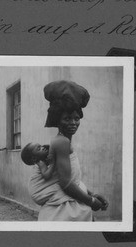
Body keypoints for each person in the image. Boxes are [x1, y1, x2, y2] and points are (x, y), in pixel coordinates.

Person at [28, 80, 108, 221]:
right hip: (61, 214)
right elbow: (65, 184)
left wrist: (92, 193)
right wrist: (92, 201)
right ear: (57, 120)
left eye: (76, 118)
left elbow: (71, 178)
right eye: (67, 118)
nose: (73, 123)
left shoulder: (63, 140)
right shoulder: (61, 142)